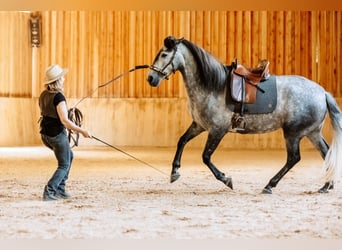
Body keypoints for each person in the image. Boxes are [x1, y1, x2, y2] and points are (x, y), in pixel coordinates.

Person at [39, 64, 92, 201]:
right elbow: (65, 121)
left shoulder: (43, 95)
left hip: (45, 134)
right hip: (57, 135)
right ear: (57, 81)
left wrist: (65, 113)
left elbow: (50, 113)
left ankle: (60, 189)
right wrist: (83, 131)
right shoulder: (59, 97)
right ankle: (50, 191)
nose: (63, 79)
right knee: (64, 165)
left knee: (70, 156)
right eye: (61, 77)